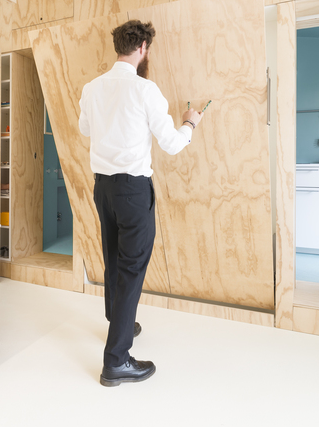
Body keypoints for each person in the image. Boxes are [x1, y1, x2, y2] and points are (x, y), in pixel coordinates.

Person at [78, 19, 204, 387]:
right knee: (132, 268)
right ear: (143, 48)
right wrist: (190, 123)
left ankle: (119, 322)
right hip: (133, 191)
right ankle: (116, 361)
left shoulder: (91, 88)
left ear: (118, 46)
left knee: (114, 258)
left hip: (103, 188)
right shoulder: (145, 90)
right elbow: (172, 144)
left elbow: (86, 129)